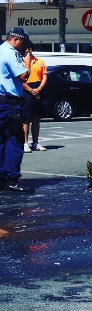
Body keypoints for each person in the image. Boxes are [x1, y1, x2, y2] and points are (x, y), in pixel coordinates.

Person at [0, 27, 34, 193]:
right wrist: (27, 62)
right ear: (16, 40)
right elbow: (23, 76)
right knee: (15, 138)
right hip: (9, 102)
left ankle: (1, 179)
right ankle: (11, 179)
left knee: (1, 139)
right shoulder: (11, 53)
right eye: (24, 44)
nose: (24, 48)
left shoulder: (0, 50)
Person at [22, 44, 47, 153]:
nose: (29, 50)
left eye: (30, 48)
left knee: (36, 118)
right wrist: (30, 90)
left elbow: (44, 76)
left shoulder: (40, 61)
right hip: (26, 90)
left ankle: (35, 142)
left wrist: (39, 89)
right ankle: (25, 143)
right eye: (26, 48)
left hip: (38, 89)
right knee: (26, 118)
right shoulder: (20, 62)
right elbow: (20, 79)